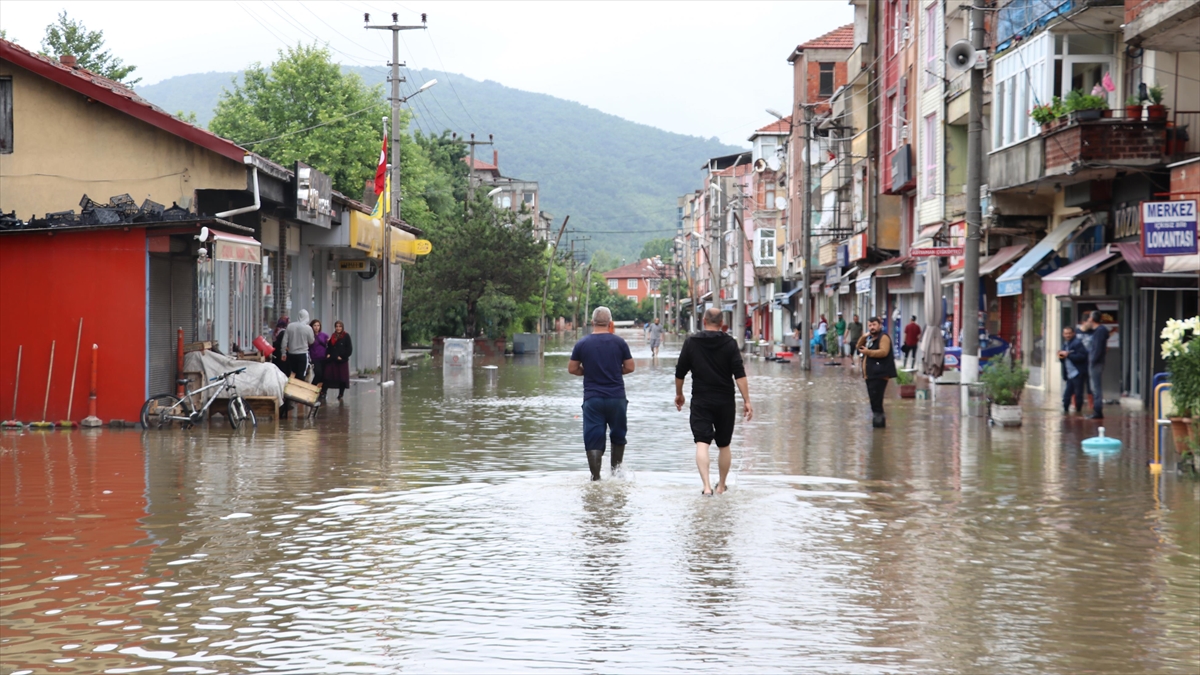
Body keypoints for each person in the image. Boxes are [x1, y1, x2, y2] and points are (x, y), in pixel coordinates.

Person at [675, 308, 752, 496]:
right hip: (725, 401)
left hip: (701, 400)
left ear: (704, 321)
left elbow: (680, 372)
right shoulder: (730, 343)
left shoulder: (691, 342)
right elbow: (739, 375)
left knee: (702, 442)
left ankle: (707, 487)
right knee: (724, 444)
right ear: (722, 323)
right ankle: (721, 486)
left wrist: (679, 394)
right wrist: (747, 401)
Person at [568, 307, 635, 481]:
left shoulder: (582, 344)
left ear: (592, 323)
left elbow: (572, 368)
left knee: (593, 437)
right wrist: (614, 371)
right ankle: (615, 474)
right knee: (618, 435)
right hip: (617, 398)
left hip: (593, 399)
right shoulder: (620, 343)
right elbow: (630, 367)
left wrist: (588, 371)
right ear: (610, 323)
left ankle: (595, 478)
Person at [857, 316, 896, 428]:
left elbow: (883, 352)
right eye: (869, 325)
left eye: (874, 325)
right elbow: (859, 347)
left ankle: (879, 432)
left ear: (880, 325)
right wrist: (864, 337)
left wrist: (868, 352)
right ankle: (878, 431)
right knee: (874, 404)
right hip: (871, 375)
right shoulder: (871, 338)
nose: (872, 327)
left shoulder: (883, 337)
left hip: (879, 375)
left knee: (876, 404)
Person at [1080, 310, 1110, 419]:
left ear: (1092, 319)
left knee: (1096, 387)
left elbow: (1097, 349)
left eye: (1088, 318)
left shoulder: (1100, 331)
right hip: (1095, 362)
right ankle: (1096, 411)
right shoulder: (1098, 331)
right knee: (1094, 387)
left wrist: (1092, 360)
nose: (1087, 320)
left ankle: (1097, 411)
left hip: (1095, 363)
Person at [1058, 325, 1088, 414]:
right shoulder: (1065, 344)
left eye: (1069, 333)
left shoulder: (1077, 343)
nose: (1068, 335)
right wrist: (1060, 355)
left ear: (1073, 333)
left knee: (1078, 394)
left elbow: (1083, 357)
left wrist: (1069, 355)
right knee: (1066, 395)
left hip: (1077, 373)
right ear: (1063, 334)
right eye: (1066, 333)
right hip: (1069, 374)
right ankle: (1065, 411)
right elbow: (1062, 359)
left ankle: (1079, 412)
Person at [325, 321, 353, 401]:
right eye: (337, 326)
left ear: (342, 327)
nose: (338, 328)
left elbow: (349, 349)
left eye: (340, 326)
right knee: (327, 376)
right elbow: (329, 347)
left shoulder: (346, 336)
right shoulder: (333, 336)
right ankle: (323, 392)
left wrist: (342, 356)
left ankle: (341, 394)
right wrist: (328, 354)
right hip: (333, 360)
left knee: (342, 378)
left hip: (341, 361)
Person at [309, 319, 329, 401]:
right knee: (318, 373)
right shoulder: (310, 336)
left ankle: (323, 392)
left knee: (325, 376)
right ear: (312, 326)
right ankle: (311, 389)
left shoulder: (324, 335)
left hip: (324, 358)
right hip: (315, 358)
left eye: (318, 325)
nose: (316, 327)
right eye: (315, 325)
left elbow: (329, 345)